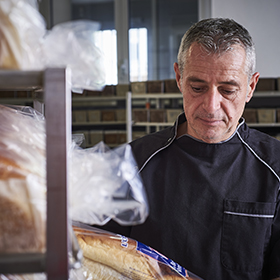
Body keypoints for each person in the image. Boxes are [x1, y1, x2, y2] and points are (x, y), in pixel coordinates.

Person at [101, 18, 280, 279]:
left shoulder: (275, 169)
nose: (211, 105)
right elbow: (99, 260)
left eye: (228, 90)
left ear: (251, 87)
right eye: (197, 88)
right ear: (178, 78)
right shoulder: (131, 164)